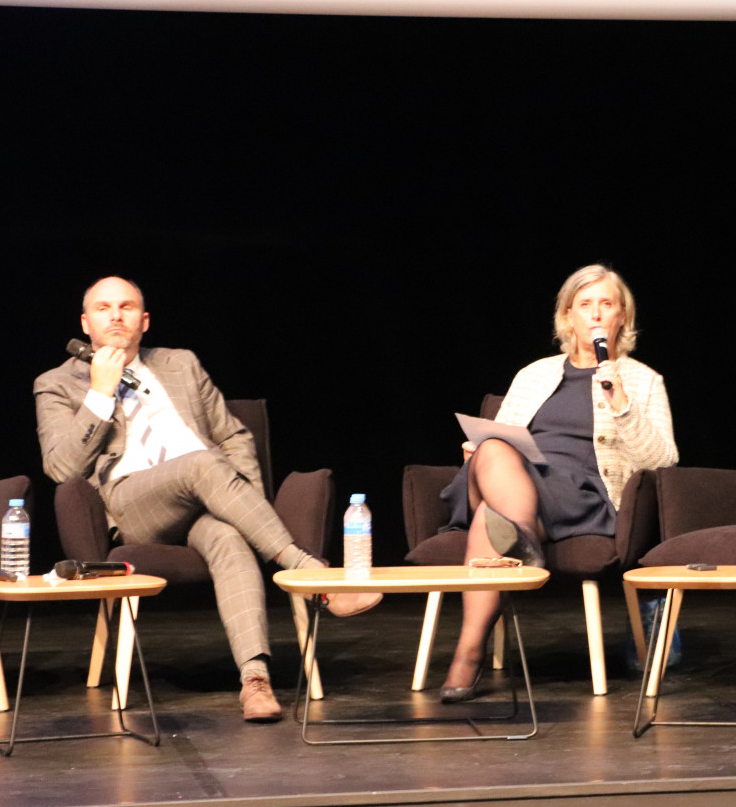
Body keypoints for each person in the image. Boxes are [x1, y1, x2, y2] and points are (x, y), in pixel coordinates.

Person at [34, 276, 381, 723]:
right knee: (201, 462)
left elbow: (233, 436)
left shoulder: (180, 364)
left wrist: (242, 502)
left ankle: (254, 680)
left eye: (126, 307)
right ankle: (310, 571)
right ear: (85, 322)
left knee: (229, 539)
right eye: (103, 308)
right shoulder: (57, 383)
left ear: (145, 321)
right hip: (134, 503)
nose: (115, 315)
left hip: (206, 499)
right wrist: (101, 391)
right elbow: (62, 468)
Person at [435, 264, 678, 702]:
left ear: (623, 316)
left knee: (493, 516)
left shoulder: (643, 381)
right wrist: (479, 452)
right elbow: (503, 438)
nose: (596, 315)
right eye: (585, 305)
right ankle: (523, 540)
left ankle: (466, 659)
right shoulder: (533, 375)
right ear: (567, 318)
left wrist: (621, 405)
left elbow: (662, 462)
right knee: (491, 451)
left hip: (583, 491)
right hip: (518, 477)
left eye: (607, 304)